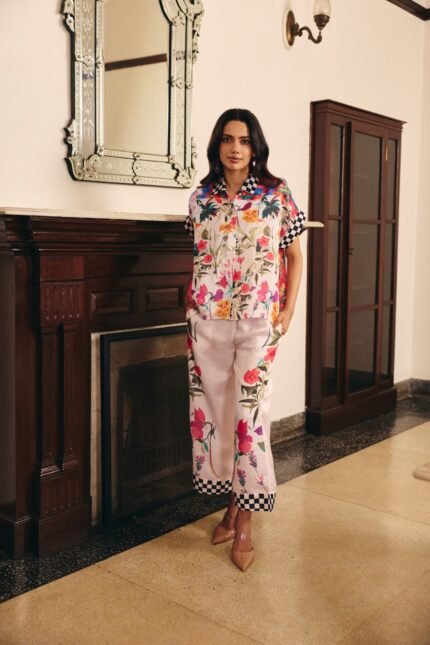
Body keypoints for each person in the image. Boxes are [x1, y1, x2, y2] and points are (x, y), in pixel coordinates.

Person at [184, 108, 305, 571]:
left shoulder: (277, 194)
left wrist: (287, 311)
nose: (235, 148)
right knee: (217, 413)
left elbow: (295, 256)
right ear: (217, 145)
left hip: (258, 321)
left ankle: (246, 523)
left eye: (245, 140)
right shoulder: (200, 199)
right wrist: (191, 307)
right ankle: (230, 506)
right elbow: (197, 256)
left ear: (256, 148)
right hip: (208, 321)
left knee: (250, 418)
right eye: (228, 139)